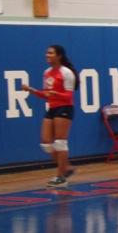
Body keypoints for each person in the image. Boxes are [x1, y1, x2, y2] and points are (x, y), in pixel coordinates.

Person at [22, 45, 79, 187]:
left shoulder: (66, 73)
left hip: (64, 108)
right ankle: (66, 167)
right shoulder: (47, 72)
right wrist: (31, 90)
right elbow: (46, 94)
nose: (47, 55)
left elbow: (69, 96)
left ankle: (61, 177)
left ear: (58, 56)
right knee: (46, 143)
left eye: (50, 53)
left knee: (60, 142)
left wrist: (56, 94)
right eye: (46, 52)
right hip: (52, 108)